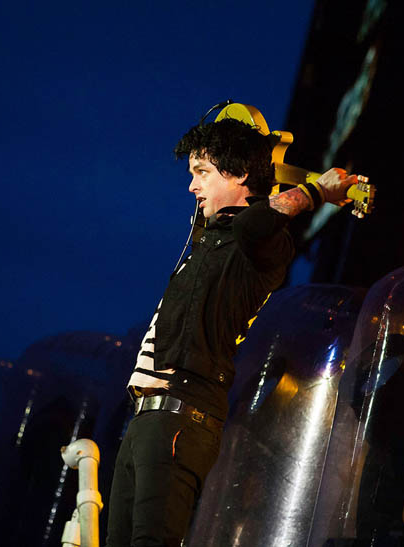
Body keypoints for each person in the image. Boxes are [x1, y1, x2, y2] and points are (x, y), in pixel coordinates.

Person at [105, 117, 359, 547]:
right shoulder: (211, 240)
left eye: (202, 172)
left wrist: (316, 190)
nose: (192, 186)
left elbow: (253, 224)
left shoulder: (262, 245)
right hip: (148, 419)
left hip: (180, 416)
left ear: (239, 174)